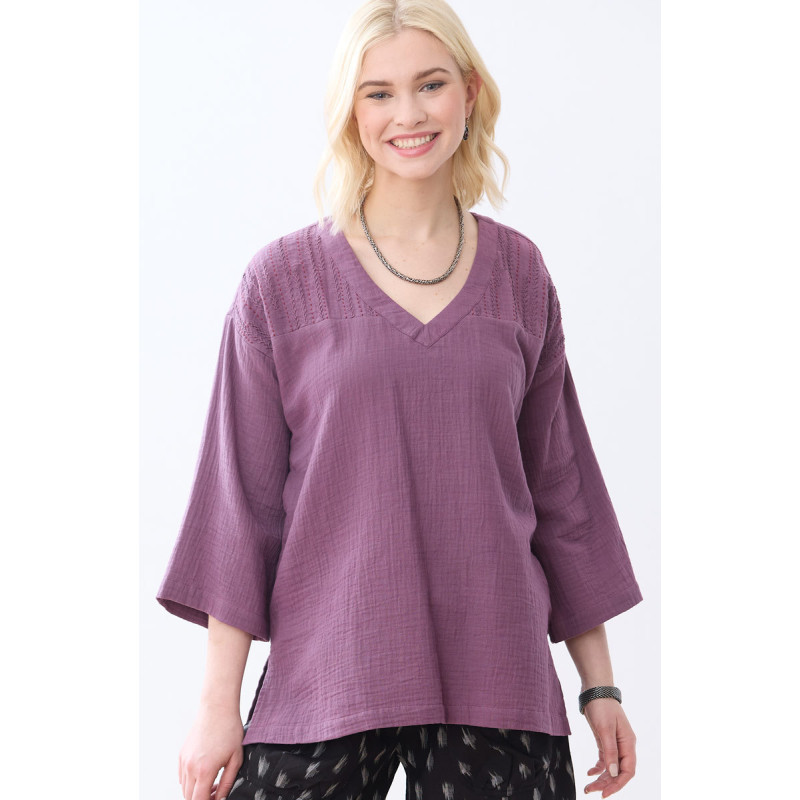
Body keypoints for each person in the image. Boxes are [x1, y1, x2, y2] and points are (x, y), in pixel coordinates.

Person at [155, 1, 644, 799]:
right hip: (329, 674)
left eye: (430, 84)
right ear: (351, 112)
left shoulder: (521, 275)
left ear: (470, 92)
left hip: (499, 676)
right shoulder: (281, 283)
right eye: (378, 93)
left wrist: (601, 686)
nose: (408, 114)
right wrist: (217, 706)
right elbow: (239, 504)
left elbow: (561, 489)